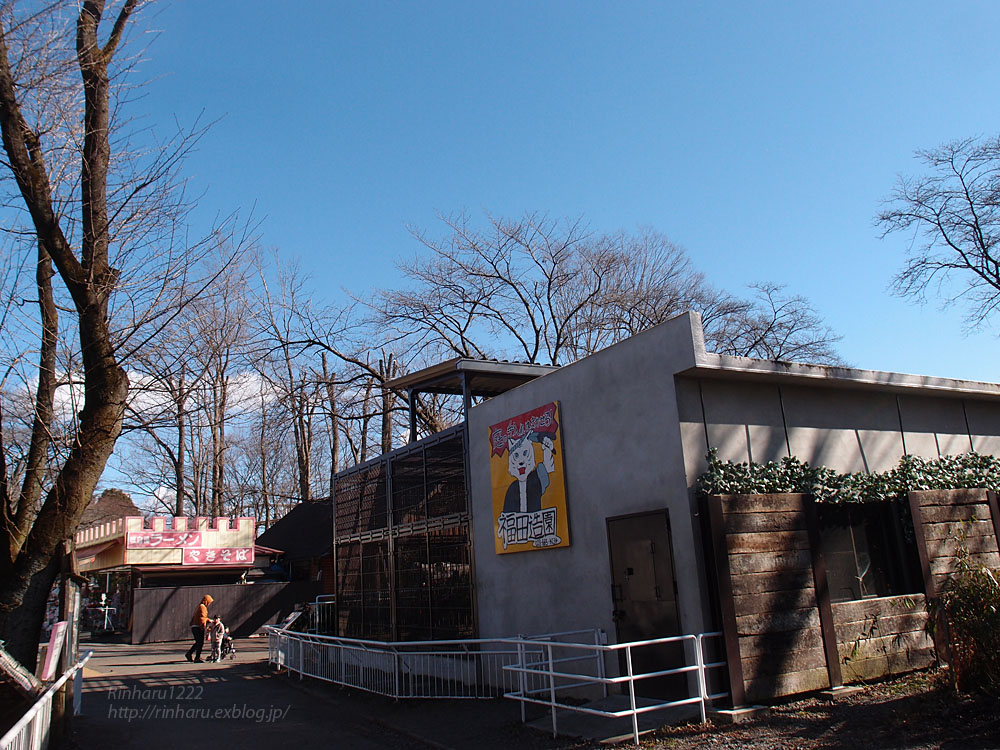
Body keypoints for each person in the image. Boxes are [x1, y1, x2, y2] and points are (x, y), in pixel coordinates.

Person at [185, 594, 214, 663]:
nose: (209, 604)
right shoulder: (202, 607)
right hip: (198, 627)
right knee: (200, 642)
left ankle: (189, 654)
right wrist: (204, 626)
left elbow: (202, 617)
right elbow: (202, 618)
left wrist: (208, 620)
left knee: (198, 642)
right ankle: (197, 657)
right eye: (209, 602)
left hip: (195, 626)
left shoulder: (200, 606)